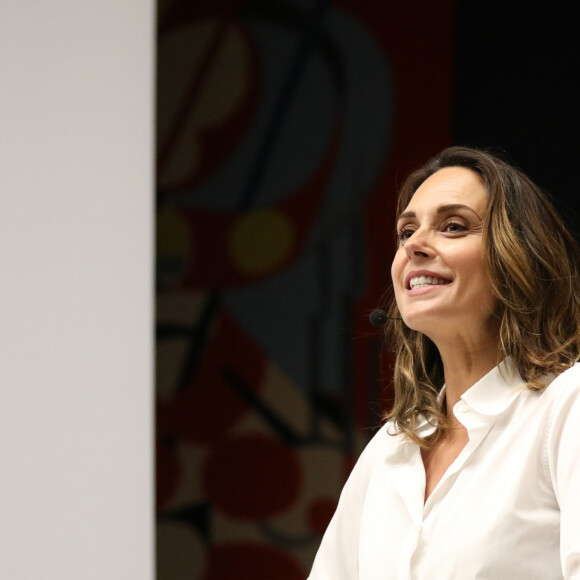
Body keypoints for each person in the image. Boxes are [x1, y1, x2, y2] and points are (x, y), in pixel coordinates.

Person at [307, 146, 580, 579]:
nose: (414, 244)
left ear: (519, 258)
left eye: (453, 226)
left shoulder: (567, 405)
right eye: (405, 231)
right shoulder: (390, 450)